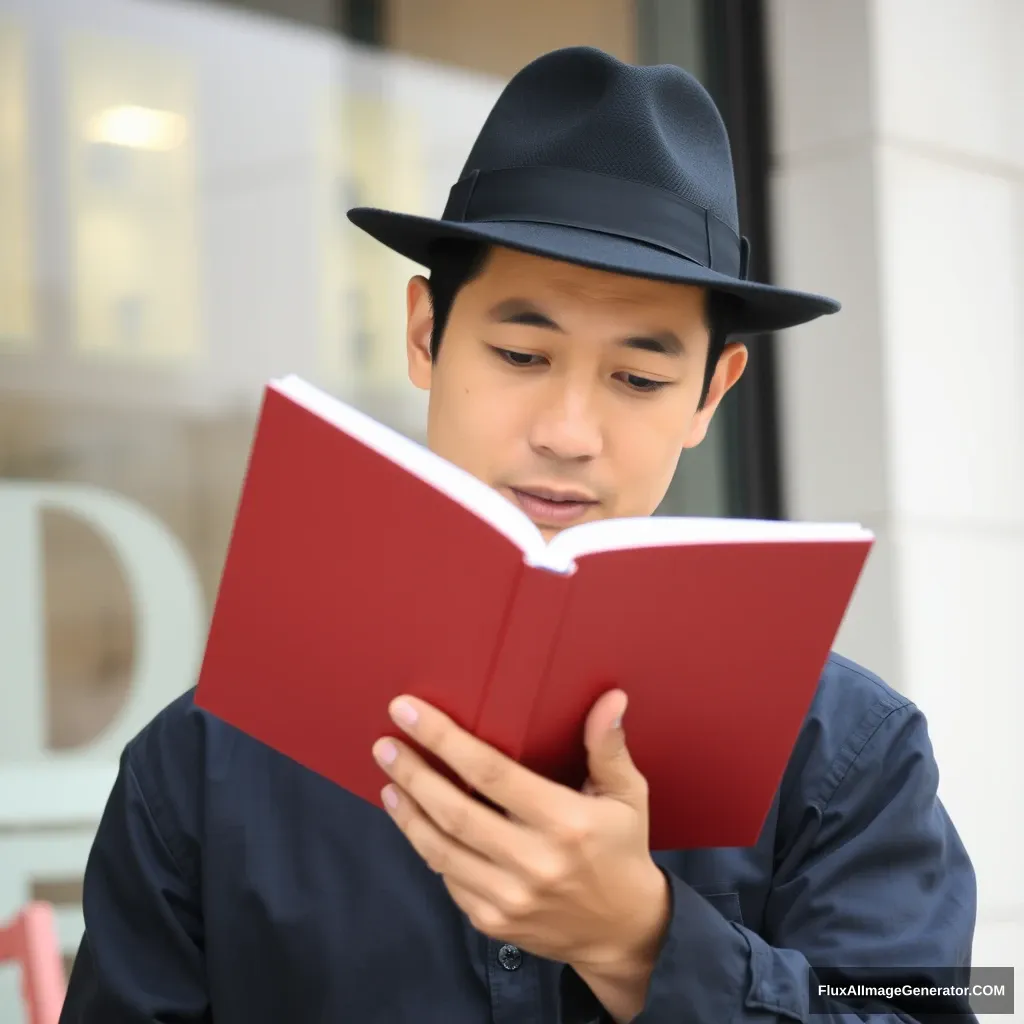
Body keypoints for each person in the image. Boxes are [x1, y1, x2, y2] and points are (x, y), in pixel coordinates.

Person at [60, 46, 977, 1024]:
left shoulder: (848, 755)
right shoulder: (202, 765)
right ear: (424, 335)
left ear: (713, 392)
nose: (567, 432)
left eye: (638, 376)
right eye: (519, 352)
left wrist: (642, 943)